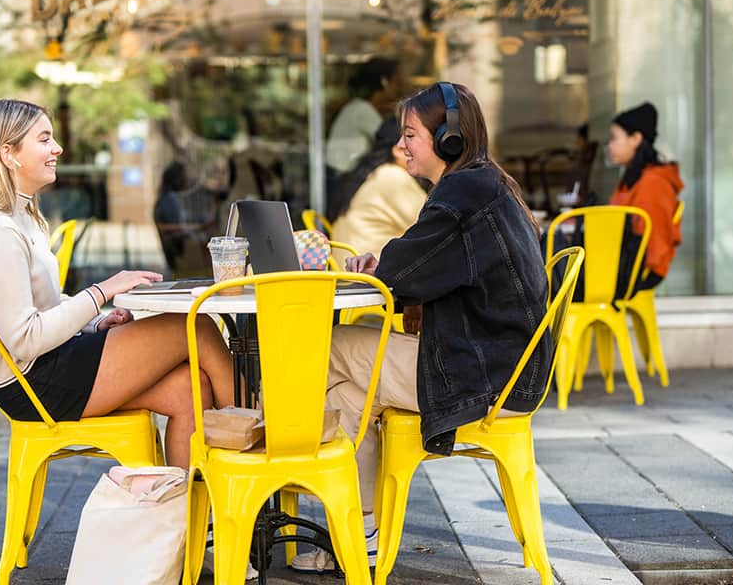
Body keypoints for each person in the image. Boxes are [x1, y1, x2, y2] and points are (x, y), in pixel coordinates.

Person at [292, 82, 552, 574]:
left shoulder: (462, 192)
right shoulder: (481, 184)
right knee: (348, 395)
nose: (402, 145)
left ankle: (349, 522)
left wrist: (382, 266)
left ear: (449, 138)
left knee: (324, 349)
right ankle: (357, 534)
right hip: (498, 363)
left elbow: (401, 277)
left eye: (410, 134)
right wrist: (388, 265)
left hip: (479, 372)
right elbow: (416, 269)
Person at [0, 99, 237, 468]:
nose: (58, 148)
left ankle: (184, 518)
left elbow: (42, 306)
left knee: (188, 388)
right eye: (44, 139)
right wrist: (101, 291)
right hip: (33, 383)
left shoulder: (23, 217)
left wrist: (95, 321)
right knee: (196, 326)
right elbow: (24, 338)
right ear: (8, 153)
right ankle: (259, 447)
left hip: (50, 362)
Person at [605, 102, 684, 292]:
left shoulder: (652, 184)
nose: (610, 145)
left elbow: (653, 246)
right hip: (624, 265)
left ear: (635, 139)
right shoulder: (633, 179)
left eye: (614, 138)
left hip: (638, 273)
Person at [327, 118, 429, 263]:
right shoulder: (393, 177)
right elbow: (431, 226)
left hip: (347, 269)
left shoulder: (370, 173)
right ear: (399, 150)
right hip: (370, 276)